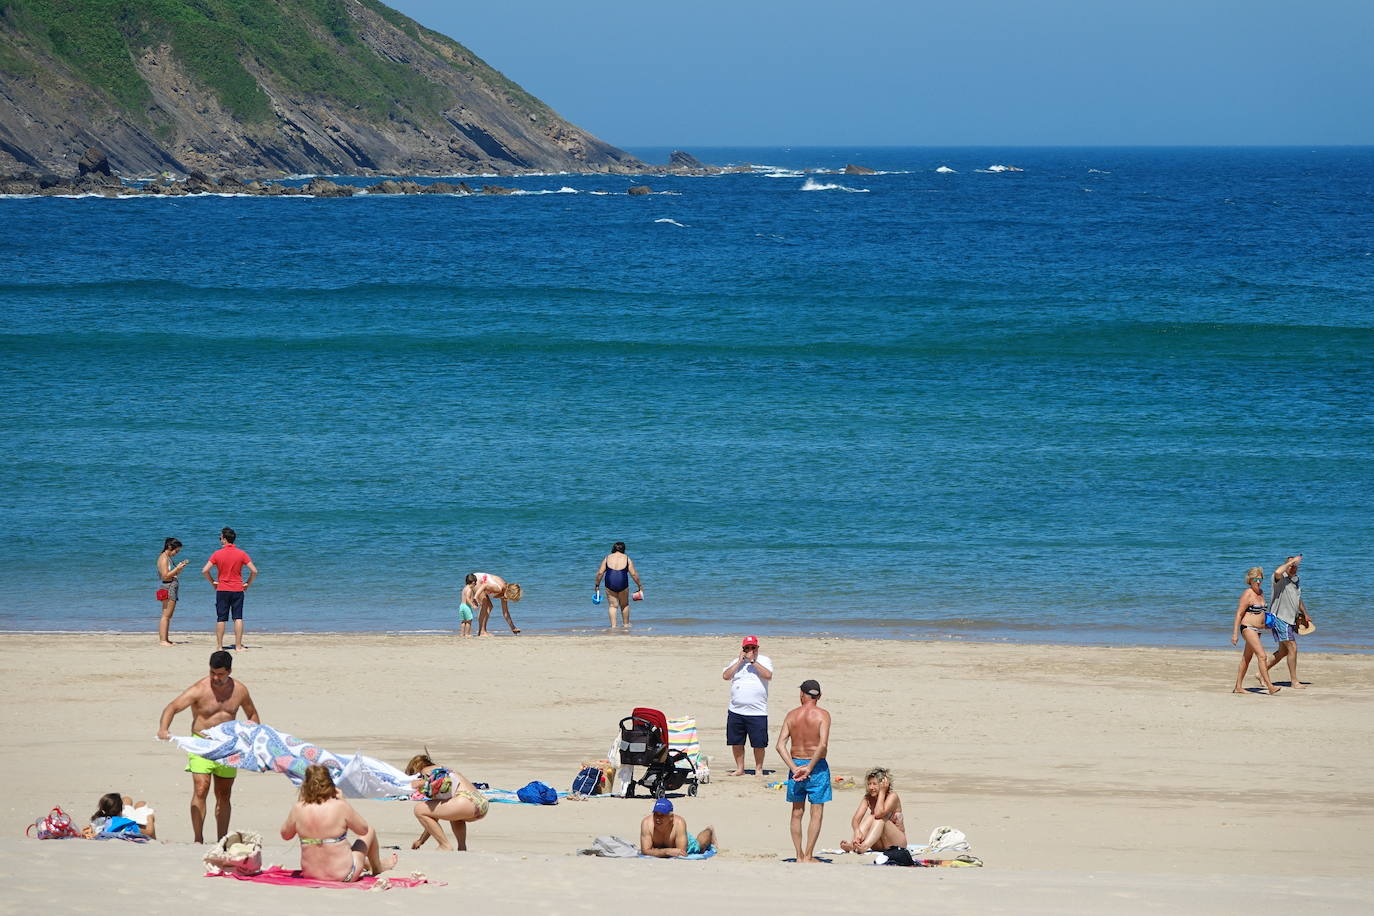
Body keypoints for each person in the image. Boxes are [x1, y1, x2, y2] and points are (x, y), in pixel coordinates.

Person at [156, 649, 260, 843]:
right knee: (201, 788)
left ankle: (222, 839)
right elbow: (173, 706)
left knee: (224, 793)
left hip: (229, 747)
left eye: (220, 674)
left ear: (229, 671)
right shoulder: (200, 689)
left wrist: (252, 738)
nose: (215, 677)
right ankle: (198, 839)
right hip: (201, 745)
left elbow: (252, 715)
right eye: (212, 672)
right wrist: (163, 728)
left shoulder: (240, 690)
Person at [280, 764, 396, 882]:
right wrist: (344, 802)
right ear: (330, 784)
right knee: (369, 831)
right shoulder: (339, 806)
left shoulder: (298, 808)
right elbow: (363, 830)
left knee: (336, 842)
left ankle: (367, 863)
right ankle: (377, 867)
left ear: (305, 785)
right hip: (345, 876)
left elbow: (286, 835)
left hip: (310, 875)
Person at [775, 679, 831, 863]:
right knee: (816, 812)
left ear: (802, 694)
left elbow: (780, 745)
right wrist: (810, 767)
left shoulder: (792, 715)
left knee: (796, 812)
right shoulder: (823, 715)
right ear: (819, 696)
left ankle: (799, 855)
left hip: (797, 766)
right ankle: (808, 855)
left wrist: (794, 768)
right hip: (817, 766)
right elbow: (822, 745)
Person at [404, 752, 489, 850]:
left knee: (419, 809)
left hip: (465, 801)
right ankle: (462, 847)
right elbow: (433, 817)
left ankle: (444, 845)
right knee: (455, 816)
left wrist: (421, 840)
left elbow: (432, 817)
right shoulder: (446, 770)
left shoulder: (426, 772)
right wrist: (421, 841)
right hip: (481, 803)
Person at [721, 635, 773, 776]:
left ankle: (758, 769)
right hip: (736, 710)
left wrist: (753, 661)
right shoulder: (736, 662)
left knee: (759, 743)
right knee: (736, 741)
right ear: (743, 649)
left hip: (757, 711)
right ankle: (740, 768)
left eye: (753, 647)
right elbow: (726, 676)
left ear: (757, 648)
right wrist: (739, 662)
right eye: (747, 648)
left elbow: (768, 675)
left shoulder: (764, 660)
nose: (750, 650)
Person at [202, 527, 258, 651]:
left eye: (220, 538)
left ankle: (219, 646)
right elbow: (254, 571)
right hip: (238, 589)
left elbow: (205, 570)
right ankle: (238, 646)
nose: (220, 540)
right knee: (237, 617)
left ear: (225, 539)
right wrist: (247, 583)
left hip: (222, 589)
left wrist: (212, 582)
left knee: (221, 618)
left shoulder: (217, 554)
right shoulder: (241, 553)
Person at [1231, 566, 1280, 695]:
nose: (1258, 581)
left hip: (1258, 630)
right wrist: (1235, 634)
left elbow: (1261, 613)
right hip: (1247, 628)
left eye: (1260, 579)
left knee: (1246, 658)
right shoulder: (1247, 593)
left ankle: (1238, 687)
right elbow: (1239, 614)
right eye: (1255, 579)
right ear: (1250, 580)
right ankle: (1270, 686)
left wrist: (1267, 624)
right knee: (1262, 656)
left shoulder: (1261, 592)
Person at [1266, 555, 1312, 689]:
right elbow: (1277, 572)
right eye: (1291, 565)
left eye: (1295, 566)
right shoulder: (1280, 579)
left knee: (1283, 652)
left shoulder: (1295, 580)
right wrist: (1291, 561)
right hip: (1280, 618)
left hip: (1290, 619)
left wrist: (1305, 614)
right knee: (1293, 647)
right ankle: (1294, 681)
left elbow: (1298, 599)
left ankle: (1261, 672)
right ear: (1286, 566)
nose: (1293, 568)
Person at [840, 767, 905, 853]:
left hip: (896, 843)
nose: (871, 787)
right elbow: (856, 819)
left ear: (884, 784)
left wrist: (882, 792)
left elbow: (879, 814)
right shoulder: (868, 798)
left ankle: (864, 846)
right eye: (869, 784)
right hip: (878, 844)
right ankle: (854, 844)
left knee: (879, 819)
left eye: (874, 784)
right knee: (870, 817)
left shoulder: (892, 796)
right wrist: (857, 831)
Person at [639, 797, 716, 857]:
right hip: (672, 845)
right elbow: (645, 851)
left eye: (662, 815)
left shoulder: (679, 823)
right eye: (656, 814)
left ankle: (709, 830)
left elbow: (681, 852)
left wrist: (657, 852)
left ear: (671, 817)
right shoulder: (646, 824)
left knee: (700, 846)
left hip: (681, 838)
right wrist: (667, 851)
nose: (658, 818)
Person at [594, 541, 642, 628]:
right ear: (623, 549)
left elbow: (600, 573)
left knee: (613, 606)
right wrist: (639, 586)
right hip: (622, 583)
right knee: (624, 605)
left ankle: (613, 626)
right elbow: (634, 574)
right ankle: (626, 625)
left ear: (613, 548)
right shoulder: (627, 558)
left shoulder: (607, 558)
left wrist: (597, 585)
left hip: (610, 583)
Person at [156, 537, 189, 646]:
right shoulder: (164, 558)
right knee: (166, 615)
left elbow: (171, 574)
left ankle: (165, 638)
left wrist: (179, 568)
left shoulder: (166, 557)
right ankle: (163, 640)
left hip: (169, 586)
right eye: (176, 551)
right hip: (168, 586)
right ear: (170, 547)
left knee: (167, 615)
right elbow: (165, 576)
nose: (176, 553)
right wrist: (177, 568)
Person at [82, 793, 157, 839]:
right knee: (141, 804)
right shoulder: (125, 824)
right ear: (121, 811)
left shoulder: (98, 820)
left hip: (117, 818)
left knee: (127, 799)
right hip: (125, 823)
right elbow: (149, 832)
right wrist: (150, 818)